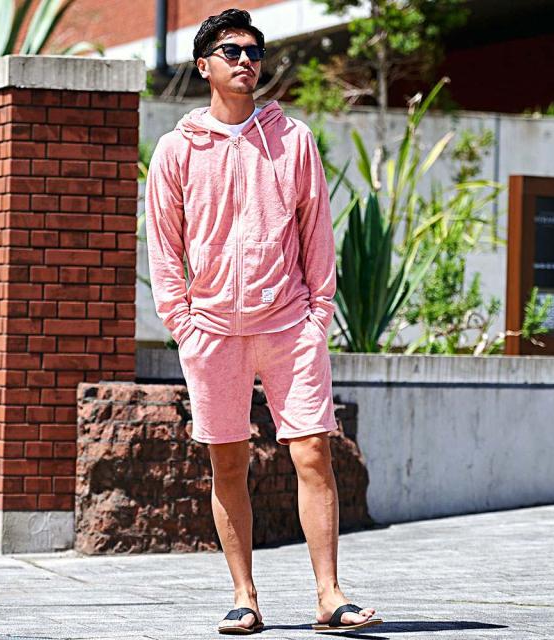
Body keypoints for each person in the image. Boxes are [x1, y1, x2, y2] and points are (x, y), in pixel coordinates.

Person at [145, 8, 382, 635]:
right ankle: (244, 596)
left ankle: (329, 595)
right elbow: (164, 246)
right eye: (232, 51)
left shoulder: (292, 139)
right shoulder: (176, 150)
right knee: (228, 463)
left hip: (289, 326)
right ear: (204, 66)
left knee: (314, 452)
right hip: (211, 331)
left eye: (254, 51)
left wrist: (317, 315)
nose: (246, 61)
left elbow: (316, 232)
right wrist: (183, 322)